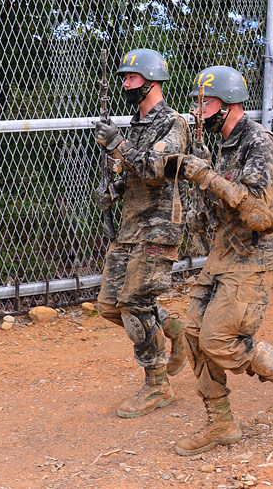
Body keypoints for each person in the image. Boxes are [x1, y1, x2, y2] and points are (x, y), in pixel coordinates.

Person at [171, 66, 273, 456]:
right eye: (197, 104)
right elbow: (216, 206)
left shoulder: (259, 142)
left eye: (207, 103)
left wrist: (204, 176)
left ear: (230, 104)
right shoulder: (223, 144)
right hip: (222, 254)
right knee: (195, 335)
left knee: (219, 339)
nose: (199, 112)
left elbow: (256, 207)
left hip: (253, 257)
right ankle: (221, 422)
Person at [93, 48, 191, 418]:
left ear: (151, 82)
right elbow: (130, 171)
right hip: (131, 225)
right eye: (123, 78)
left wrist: (117, 143)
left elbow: (156, 169)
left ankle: (157, 385)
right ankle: (172, 326)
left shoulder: (174, 124)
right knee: (108, 305)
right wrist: (113, 190)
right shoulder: (135, 125)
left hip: (160, 225)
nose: (125, 84)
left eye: (131, 78)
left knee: (134, 304)